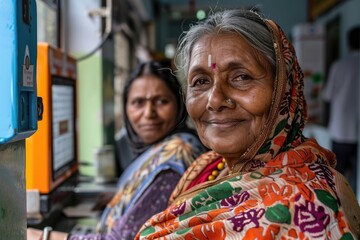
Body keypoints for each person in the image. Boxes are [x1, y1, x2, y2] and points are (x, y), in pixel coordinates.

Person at [136, 9, 360, 239]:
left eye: (242, 77)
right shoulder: (208, 167)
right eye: (201, 81)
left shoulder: (304, 209)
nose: (215, 100)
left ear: (283, 90)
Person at [27, 61, 207, 239]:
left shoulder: (176, 157)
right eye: (138, 102)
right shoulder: (166, 146)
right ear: (126, 107)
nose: (148, 113)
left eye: (161, 101)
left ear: (180, 105)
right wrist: (123, 197)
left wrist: (42, 237)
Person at [323, 26, 360, 193]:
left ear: (349, 44)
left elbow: (327, 96)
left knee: (338, 174)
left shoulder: (339, 66)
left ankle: (342, 209)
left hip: (342, 130)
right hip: (354, 130)